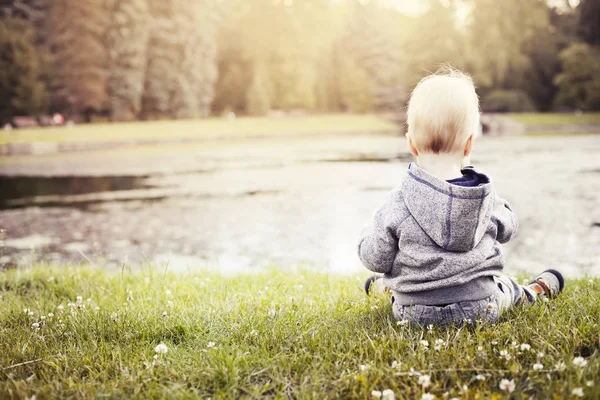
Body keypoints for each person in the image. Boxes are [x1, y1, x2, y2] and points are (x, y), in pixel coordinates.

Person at [358, 67, 564, 326]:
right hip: (480, 309)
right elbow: (508, 228)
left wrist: (368, 233)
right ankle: (534, 291)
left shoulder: (397, 202)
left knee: (400, 286)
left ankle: (385, 289)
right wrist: (502, 211)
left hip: (412, 313)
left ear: (411, 144)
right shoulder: (484, 198)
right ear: (469, 144)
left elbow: (375, 258)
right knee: (506, 288)